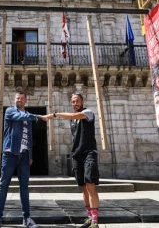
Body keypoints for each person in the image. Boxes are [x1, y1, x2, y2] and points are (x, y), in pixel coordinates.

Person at [0, 91, 47, 228]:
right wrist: (40, 116)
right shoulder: (10, 111)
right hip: (10, 154)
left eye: (22, 98)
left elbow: (29, 137)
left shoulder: (27, 117)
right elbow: (21, 116)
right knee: (3, 185)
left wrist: (30, 156)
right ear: (14, 99)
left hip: (24, 156)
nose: (19, 100)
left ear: (25, 101)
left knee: (24, 188)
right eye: (17, 98)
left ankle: (26, 218)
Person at [45, 93, 100, 228]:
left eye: (77, 101)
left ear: (82, 102)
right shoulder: (73, 121)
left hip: (89, 153)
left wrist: (55, 115)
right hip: (77, 155)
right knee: (83, 187)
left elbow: (73, 115)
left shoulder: (88, 113)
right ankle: (89, 217)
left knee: (90, 185)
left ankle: (95, 221)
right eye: (73, 101)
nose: (75, 103)